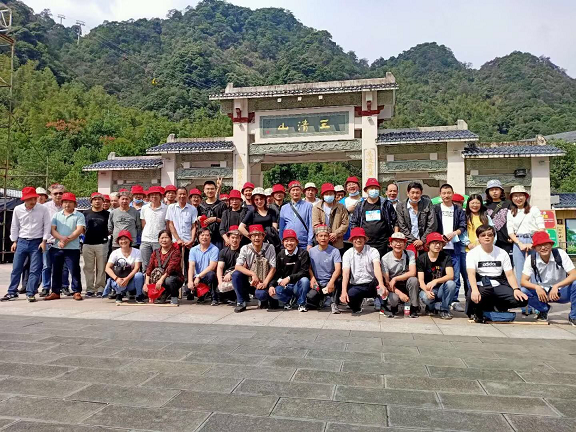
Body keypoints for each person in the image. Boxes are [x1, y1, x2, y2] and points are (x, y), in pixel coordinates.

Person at [466, 225, 528, 323]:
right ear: (478, 238)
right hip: (482, 284)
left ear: (494, 237)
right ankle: (478, 310)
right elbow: (471, 274)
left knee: (522, 300)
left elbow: (509, 274)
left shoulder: (502, 253)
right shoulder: (472, 253)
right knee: (472, 296)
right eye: (483, 235)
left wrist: (516, 289)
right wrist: (474, 290)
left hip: (499, 283)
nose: (487, 237)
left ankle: (497, 307)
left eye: (490, 235)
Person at [1, 187, 50, 302]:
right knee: (17, 268)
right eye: (30, 199)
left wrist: (44, 241)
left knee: (35, 269)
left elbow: (47, 225)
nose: (33, 201)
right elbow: (15, 226)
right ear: (24, 200)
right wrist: (14, 241)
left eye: (34, 199)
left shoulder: (43, 209)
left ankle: (30, 292)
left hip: (37, 242)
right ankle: (12, 292)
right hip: (22, 241)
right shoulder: (18, 209)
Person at [520, 232, 576, 325]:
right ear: (535, 248)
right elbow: (523, 281)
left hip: (561, 292)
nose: (543, 248)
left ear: (551, 244)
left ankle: (574, 316)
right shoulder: (531, 259)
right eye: (539, 245)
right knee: (523, 291)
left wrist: (556, 286)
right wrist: (537, 287)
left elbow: (573, 274)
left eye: (545, 244)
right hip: (543, 294)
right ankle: (543, 309)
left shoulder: (560, 254)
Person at [46, 192, 85, 301]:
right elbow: (53, 230)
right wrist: (61, 238)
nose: (67, 204)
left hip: (72, 248)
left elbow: (79, 230)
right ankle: (55, 292)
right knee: (56, 270)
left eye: (70, 202)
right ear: (62, 203)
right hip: (57, 247)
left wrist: (66, 240)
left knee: (74, 270)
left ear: (74, 204)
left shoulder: (79, 215)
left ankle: (77, 291)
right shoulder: (57, 215)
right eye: (65, 202)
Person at [433, 184, 466, 312]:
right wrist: (439, 238)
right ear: (440, 195)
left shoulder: (458, 209)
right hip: (439, 248)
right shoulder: (436, 209)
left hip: (454, 247)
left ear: (452, 193)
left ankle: (454, 300)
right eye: (444, 193)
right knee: (438, 274)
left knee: (455, 276)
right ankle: (438, 300)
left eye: (448, 193)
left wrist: (454, 233)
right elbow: (431, 225)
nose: (446, 195)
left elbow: (463, 225)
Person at [340, 227, 387, 315]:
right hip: (357, 285)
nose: (358, 240)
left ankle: (382, 304)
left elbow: (377, 268)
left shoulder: (373, 251)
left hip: (372, 283)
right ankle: (357, 306)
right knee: (351, 295)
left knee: (381, 281)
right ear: (352, 240)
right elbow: (345, 274)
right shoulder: (347, 254)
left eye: (360, 237)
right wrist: (343, 291)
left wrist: (381, 284)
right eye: (355, 238)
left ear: (365, 239)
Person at [232, 224, 276, 313]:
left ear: (263, 236)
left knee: (262, 295)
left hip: (265, 279)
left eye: (259, 235)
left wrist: (265, 283)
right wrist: (252, 274)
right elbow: (237, 266)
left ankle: (264, 299)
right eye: (254, 236)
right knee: (236, 274)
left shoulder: (270, 247)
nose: (256, 238)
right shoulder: (245, 248)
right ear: (250, 237)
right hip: (251, 280)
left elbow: (273, 268)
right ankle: (241, 302)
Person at [507, 185, 545, 285]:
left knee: (535, 267)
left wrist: (534, 243)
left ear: (526, 197)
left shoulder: (534, 209)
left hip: (534, 240)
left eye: (521, 195)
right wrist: (519, 243)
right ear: (512, 198)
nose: (518, 198)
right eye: (515, 196)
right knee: (520, 268)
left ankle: (538, 291)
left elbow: (541, 228)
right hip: (518, 241)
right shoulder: (510, 212)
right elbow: (510, 231)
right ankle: (522, 291)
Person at [350, 178, 397, 258]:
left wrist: (394, 237)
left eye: (376, 188)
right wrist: (358, 238)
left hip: (383, 243)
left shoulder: (386, 204)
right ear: (366, 190)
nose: (374, 190)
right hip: (366, 243)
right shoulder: (360, 206)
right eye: (371, 188)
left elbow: (395, 221)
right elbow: (354, 223)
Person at [460, 194, 494, 299]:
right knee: (468, 277)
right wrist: (468, 243)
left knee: (483, 276)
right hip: (467, 251)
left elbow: (493, 233)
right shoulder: (464, 217)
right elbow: (461, 232)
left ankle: (483, 298)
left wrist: (487, 244)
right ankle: (470, 299)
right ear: (468, 204)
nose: (475, 205)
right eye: (472, 203)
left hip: (483, 251)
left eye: (477, 203)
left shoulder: (486, 217)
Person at [417, 232, 457, 319]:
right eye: (434, 243)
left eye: (440, 243)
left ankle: (444, 310)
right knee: (425, 297)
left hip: (441, 289)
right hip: (428, 289)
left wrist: (436, 281)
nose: (438, 245)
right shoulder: (421, 258)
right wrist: (427, 291)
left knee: (451, 284)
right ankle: (431, 308)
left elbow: (450, 275)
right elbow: (421, 280)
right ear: (428, 245)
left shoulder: (446, 257)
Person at [166, 187, 198, 295]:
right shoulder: (171, 208)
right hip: (175, 242)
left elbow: (193, 226)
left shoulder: (192, 209)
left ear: (187, 195)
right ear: (176, 195)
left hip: (188, 242)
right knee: (175, 265)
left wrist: (192, 240)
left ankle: (188, 289)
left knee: (189, 265)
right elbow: (171, 224)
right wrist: (178, 239)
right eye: (179, 194)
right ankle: (174, 289)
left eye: (184, 194)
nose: (182, 196)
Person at [270, 229, 311, 312]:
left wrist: (289, 278)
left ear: (297, 242)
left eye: (292, 240)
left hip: (298, 284)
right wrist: (271, 285)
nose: (289, 243)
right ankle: (289, 300)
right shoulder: (280, 255)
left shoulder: (303, 253)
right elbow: (277, 273)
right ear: (283, 242)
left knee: (305, 280)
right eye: (286, 241)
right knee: (276, 292)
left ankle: (301, 303)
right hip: (286, 285)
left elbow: (304, 271)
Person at [380, 232, 419, 317]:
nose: (398, 244)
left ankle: (414, 307)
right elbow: (387, 282)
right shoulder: (385, 259)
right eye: (395, 241)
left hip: (406, 283)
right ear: (390, 244)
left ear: (405, 244)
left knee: (414, 280)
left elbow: (412, 272)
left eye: (401, 242)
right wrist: (400, 294)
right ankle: (394, 307)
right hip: (393, 287)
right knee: (393, 300)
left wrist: (395, 278)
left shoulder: (410, 254)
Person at [41, 184, 69, 297]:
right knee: (46, 266)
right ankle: (46, 287)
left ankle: (64, 286)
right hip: (48, 240)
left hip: (63, 241)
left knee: (64, 266)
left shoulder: (68, 206)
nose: (58, 195)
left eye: (60, 193)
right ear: (50, 195)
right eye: (55, 193)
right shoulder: (45, 207)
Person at [308, 225, 342, 314]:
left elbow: (338, 269)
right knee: (311, 297)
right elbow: (309, 268)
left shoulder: (335, 251)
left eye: (326, 236)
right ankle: (321, 299)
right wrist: (312, 278)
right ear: (316, 238)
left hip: (330, 281)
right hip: (317, 282)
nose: (323, 238)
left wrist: (331, 282)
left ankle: (334, 303)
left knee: (339, 279)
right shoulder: (311, 251)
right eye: (321, 236)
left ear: (329, 237)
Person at [105, 230, 145, 304]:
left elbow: (137, 268)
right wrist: (116, 279)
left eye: (125, 239)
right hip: (119, 279)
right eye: (121, 239)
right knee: (118, 284)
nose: (123, 241)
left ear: (130, 240)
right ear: (118, 241)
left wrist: (127, 279)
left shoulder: (137, 252)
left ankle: (139, 295)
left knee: (139, 275)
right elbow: (107, 268)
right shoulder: (115, 253)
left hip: (131, 279)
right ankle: (119, 294)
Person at [396, 181, 437, 254]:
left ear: (421, 193)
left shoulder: (427, 203)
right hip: (408, 243)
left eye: (417, 193)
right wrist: (414, 241)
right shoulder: (401, 206)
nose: (415, 195)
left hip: (425, 243)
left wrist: (422, 241)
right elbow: (402, 226)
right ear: (408, 193)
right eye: (412, 193)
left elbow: (432, 223)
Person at [145, 230, 184, 306]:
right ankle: (163, 294)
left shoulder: (175, 252)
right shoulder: (156, 252)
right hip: (158, 277)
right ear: (158, 240)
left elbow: (170, 268)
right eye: (162, 238)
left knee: (169, 281)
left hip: (173, 277)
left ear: (171, 239)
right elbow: (149, 267)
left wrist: (161, 280)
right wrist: (146, 283)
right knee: (144, 290)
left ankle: (174, 297)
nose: (164, 240)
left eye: (166, 237)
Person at [83, 192, 110, 298]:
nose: (97, 201)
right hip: (87, 243)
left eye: (99, 199)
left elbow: (110, 228)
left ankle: (100, 288)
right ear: (91, 201)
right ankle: (90, 289)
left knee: (101, 268)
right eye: (95, 199)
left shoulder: (107, 214)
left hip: (102, 244)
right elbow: (82, 228)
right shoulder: (85, 213)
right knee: (88, 268)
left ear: (103, 201)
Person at [312, 183, 349, 252]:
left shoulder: (341, 207)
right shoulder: (317, 207)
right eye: (326, 194)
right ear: (322, 195)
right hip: (321, 241)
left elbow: (345, 223)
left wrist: (336, 233)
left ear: (334, 194)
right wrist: (326, 235)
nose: (329, 196)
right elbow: (315, 224)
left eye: (331, 193)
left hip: (337, 241)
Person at [139, 186, 167, 272]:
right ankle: (146, 280)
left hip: (159, 241)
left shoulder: (166, 208)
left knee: (159, 264)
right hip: (145, 240)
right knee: (145, 265)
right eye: (152, 195)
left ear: (160, 196)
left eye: (156, 195)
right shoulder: (144, 208)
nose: (154, 196)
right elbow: (143, 223)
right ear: (149, 197)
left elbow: (167, 224)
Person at [279, 181, 313, 250]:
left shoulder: (308, 206)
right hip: (288, 243)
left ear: (301, 191)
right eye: (293, 190)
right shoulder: (284, 208)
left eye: (297, 190)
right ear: (289, 192)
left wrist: (310, 243)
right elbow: (281, 227)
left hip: (303, 243)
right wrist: (282, 241)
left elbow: (311, 226)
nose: (295, 192)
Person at [188, 228, 219, 304]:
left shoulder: (214, 249)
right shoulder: (193, 250)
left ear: (210, 237)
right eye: (202, 235)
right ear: (198, 237)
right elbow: (191, 266)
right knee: (187, 289)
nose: (204, 237)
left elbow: (212, 267)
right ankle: (202, 295)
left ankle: (214, 297)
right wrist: (190, 281)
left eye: (207, 235)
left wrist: (198, 276)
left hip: (207, 277)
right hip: (197, 278)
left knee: (211, 274)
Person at [485, 179, 513, 256]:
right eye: (491, 190)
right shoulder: (485, 206)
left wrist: (513, 235)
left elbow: (514, 220)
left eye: (496, 189)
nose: (494, 192)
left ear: (501, 191)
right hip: (491, 240)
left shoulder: (509, 203)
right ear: (488, 192)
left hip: (507, 240)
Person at [216, 225, 241, 304]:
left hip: (237, 275)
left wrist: (231, 274)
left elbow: (243, 267)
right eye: (232, 237)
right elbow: (220, 268)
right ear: (228, 238)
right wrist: (220, 282)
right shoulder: (223, 252)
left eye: (237, 238)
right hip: (225, 277)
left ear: (240, 239)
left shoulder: (243, 251)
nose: (234, 240)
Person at [198, 180, 226, 249]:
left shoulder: (222, 205)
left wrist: (215, 219)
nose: (210, 191)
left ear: (215, 190)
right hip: (204, 238)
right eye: (208, 189)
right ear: (204, 190)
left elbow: (226, 221)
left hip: (218, 238)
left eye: (212, 189)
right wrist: (198, 218)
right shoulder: (200, 206)